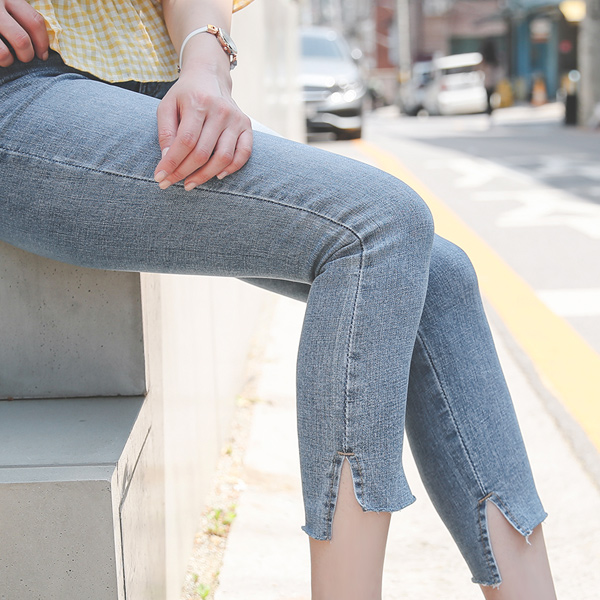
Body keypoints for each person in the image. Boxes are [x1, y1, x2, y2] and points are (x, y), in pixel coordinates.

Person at [0, 1, 557, 598]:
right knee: (379, 225)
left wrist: (206, 62)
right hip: (25, 87)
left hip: (153, 86)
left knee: (439, 274)